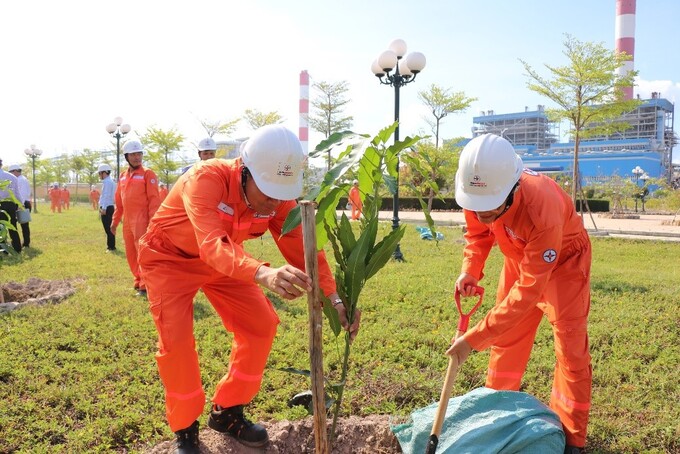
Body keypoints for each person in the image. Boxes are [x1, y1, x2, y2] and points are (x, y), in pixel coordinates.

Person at [138, 125, 359, 453]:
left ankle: (227, 411)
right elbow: (211, 245)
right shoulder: (205, 180)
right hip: (170, 260)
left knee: (261, 324)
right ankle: (185, 430)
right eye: (267, 193)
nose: (273, 204)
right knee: (178, 344)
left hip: (228, 259)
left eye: (281, 196)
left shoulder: (278, 200)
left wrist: (334, 297)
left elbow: (306, 251)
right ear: (244, 171)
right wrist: (263, 273)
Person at [445, 134, 592, 454]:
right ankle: (496, 413)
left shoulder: (543, 206)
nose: (481, 212)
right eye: (476, 206)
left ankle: (571, 436)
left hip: (563, 263)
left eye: (489, 208)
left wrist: (473, 338)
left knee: (570, 349)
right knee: (507, 339)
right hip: (518, 259)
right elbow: (477, 232)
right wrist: (471, 268)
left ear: (512, 189)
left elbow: (528, 292)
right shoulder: (480, 190)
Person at [111, 140, 161, 296]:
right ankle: (138, 279)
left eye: (139, 154)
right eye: (133, 154)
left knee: (143, 253)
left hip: (142, 220)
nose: (137, 157)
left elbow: (154, 200)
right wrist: (114, 221)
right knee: (131, 253)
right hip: (127, 221)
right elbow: (119, 201)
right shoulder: (123, 176)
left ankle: (145, 285)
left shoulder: (148, 174)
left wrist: (153, 222)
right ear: (126, 156)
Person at [0, 159, 22, 253]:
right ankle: (17, 248)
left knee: (1, 227)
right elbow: (17, 193)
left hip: (1, 204)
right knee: (12, 226)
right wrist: (20, 204)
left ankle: (3, 249)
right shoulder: (12, 177)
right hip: (10, 204)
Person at [8, 164, 31, 248]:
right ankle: (25, 242)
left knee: (24, 225)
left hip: (23, 203)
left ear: (15, 171)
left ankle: (26, 243)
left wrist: (20, 205)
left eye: (10, 172)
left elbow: (23, 194)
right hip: (23, 203)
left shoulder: (21, 180)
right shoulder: (21, 179)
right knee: (24, 225)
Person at [97, 164, 117, 252]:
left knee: (108, 228)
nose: (99, 175)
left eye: (100, 173)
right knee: (109, 228)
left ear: (104, 172)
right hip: (109, 206)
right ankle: (111, 246)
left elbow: (106, 196)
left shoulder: (107, 183)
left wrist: (103, 208)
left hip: (107, 207)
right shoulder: (109, 182)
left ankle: (111, 247)